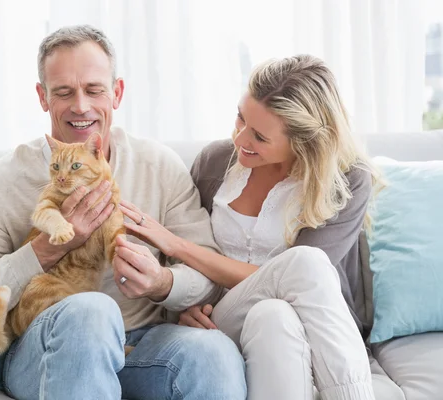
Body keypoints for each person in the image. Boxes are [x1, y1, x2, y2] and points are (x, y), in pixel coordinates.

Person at [0, 25, 247, 400]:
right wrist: (43, 251)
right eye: (63, 92)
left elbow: (210, 273)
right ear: (42, 97)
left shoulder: (159, 166)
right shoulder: (1, 182)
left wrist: (163, 283)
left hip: (144, 346)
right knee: (91, 312)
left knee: (214, 352)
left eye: (94, 90)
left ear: (117, 93)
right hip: (47, 347)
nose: (81, 106)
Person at [119, 54, 378, 400]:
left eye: (259, 136)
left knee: (277, 311)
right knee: (304, 264)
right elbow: (181, 269)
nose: (240, 139)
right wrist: (185, 307)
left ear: (303, 142)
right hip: (221, 317)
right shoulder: (215, 163)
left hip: (301, 326)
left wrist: (176, 245)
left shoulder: (346, 179)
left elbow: (306, 288)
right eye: (241, 118)